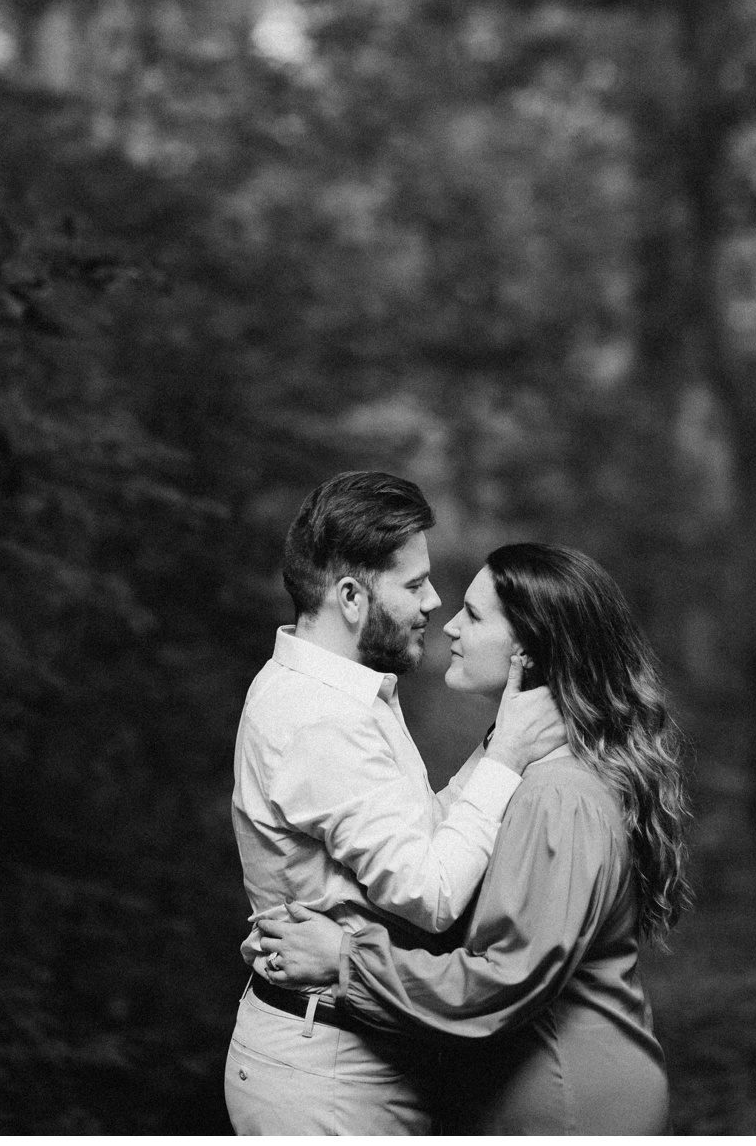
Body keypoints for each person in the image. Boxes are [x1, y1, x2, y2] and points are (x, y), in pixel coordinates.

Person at [256, 542, 691, 1135]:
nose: (450, 625)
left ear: (527, 651)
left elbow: (505, 978)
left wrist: (344, 961)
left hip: (569, 1100)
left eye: (476, 616)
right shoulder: (532, 776)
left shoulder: (557, 793)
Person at [224, 473, 567, 1135]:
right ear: (351, 596)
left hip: (350, 1050)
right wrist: (507, 758)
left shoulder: (342, 694)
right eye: (413, 585)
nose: (433, 602)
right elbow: (431, 892)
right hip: (324, 1068)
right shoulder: (321, 719)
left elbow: (419, 843)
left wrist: (502, 740)